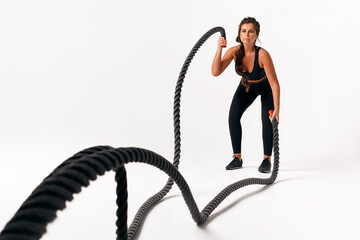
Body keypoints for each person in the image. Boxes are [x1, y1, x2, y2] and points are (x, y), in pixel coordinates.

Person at [211, 17, 280, 173]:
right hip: (247, 86)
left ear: (256, 35)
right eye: (244, 31)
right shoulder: (234, 52)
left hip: (266, 88)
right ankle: (237, 158)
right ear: (239, 33)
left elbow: (275, 84)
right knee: (233, 116)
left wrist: (277, 109)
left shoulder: (263, 55)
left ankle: (266, 160)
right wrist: (219, 48)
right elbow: (215, 72)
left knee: (267, 120)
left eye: (251, 32)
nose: (247, 35)